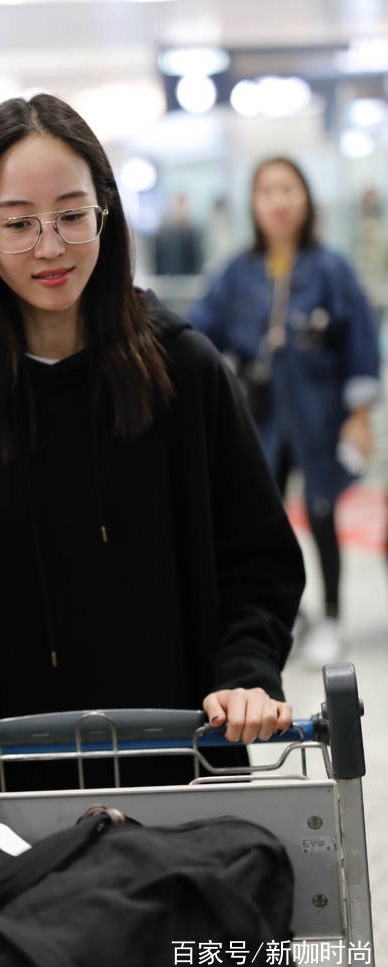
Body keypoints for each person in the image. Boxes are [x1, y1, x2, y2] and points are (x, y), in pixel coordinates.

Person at [0, 94, 305, 782]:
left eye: (72, 215)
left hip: (178, 767)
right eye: (19, 224)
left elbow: (259, 558)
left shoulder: (183, 369)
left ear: (106, 211)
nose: (51, 247)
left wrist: (247, 672)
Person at [190, 157, 380, 667]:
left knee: (322, 513)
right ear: (253, 203)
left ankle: (333, 618)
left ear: (307, 199)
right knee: (263, 522)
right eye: (267, 190)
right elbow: (197, 331)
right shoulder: (236, 273)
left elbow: (361, 345)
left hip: (320, 418)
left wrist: (360, 416)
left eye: (288, 189)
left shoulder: (332, 269)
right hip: (259, 422)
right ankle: (286, 617)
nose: (278, 201)